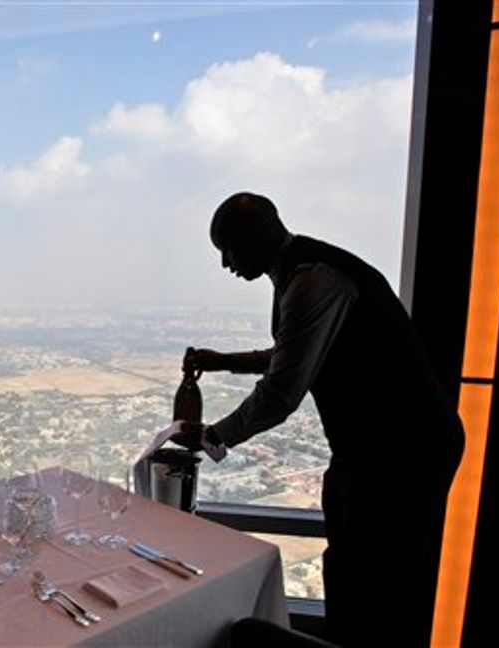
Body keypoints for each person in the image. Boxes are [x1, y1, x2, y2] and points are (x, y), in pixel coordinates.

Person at [171, 192, 464, 647]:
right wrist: (222, 360)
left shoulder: (312, 280)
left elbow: (282, 391)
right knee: (354, 566)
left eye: (228, 248)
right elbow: (293, 354)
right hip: (381, 449)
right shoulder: (303, 272)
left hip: (404, 451)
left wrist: (213, 436)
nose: (226, 263)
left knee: (380, 577)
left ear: (258, 234)